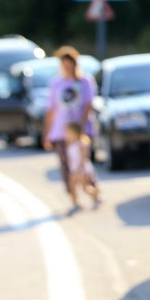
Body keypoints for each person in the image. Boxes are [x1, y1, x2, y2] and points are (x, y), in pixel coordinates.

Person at [43, 45, 97, 213]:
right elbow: (52, 109)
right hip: (61, 131)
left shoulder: (84, 81)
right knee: (67, 168)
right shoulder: (56, 83)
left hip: (81, 131)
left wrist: (80, 125)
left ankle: (93, 191)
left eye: (70, 63)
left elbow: (88, 104)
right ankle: (74, 199)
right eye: (64, 63)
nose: (68, 66)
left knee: (83, 165)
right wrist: (47, 134)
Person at [64, 121, 102, 213]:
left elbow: (83, 158)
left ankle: (97, 195)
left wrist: (79, 169)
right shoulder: (69, 144)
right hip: (73, 169)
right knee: (71, 186)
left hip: (81, 169)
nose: (66, 135)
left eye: (68, 132)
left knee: (85, 188)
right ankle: (75, 203)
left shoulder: (81, 144)